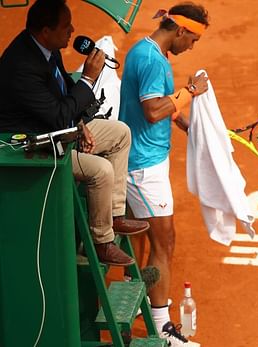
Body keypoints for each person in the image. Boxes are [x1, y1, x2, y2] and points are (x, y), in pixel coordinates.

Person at [0, 0, 149, 266]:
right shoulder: (21, 66)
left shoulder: (45, 47)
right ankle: (102, 241)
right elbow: (58, 114)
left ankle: (114, 216)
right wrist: (89, 79)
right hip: (36, 146)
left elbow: (63, 91)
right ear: (46, 31)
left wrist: (80, 124)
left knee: (120, 133)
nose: (73, 30)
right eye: (66, 26)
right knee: (101, 170)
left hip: (61, 129)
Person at [118, 2, 209, 344]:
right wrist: (189, 94)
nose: (192, 47)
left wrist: (187, 124)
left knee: (142, 235)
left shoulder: (144, 50)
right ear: (181, 31)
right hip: (143, 167)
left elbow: (156, 108)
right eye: (193, 40)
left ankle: (138, 296)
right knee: (163, 240)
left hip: (145, 159)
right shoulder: (154, 61)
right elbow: (154, 110)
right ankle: (162, 329)